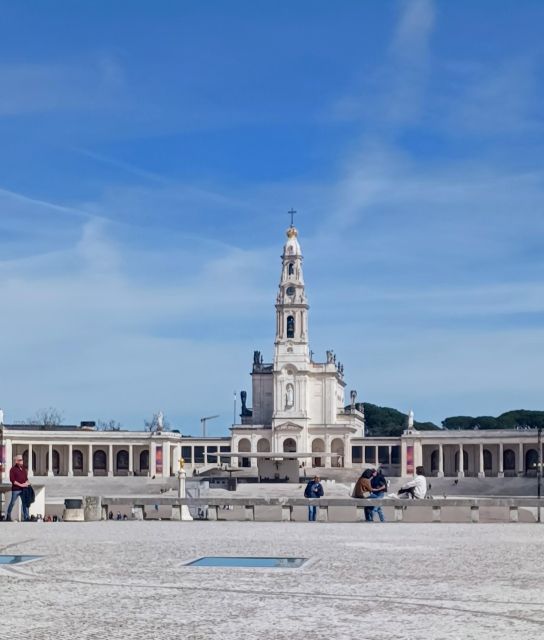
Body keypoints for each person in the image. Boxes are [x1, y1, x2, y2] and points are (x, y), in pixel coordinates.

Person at [6, 454, 30, 521]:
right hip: (16, 489)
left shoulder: (24, 469)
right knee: (12, 503)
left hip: (24, 489)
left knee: (25, 503)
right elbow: (12, 480)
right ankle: (8, 515)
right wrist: (21, 485)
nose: (22, 461)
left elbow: (26, 478)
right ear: (16, 461)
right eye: (20, 460)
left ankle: (26, 517)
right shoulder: (12, 470)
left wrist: (28, 483)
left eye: (22, 459)